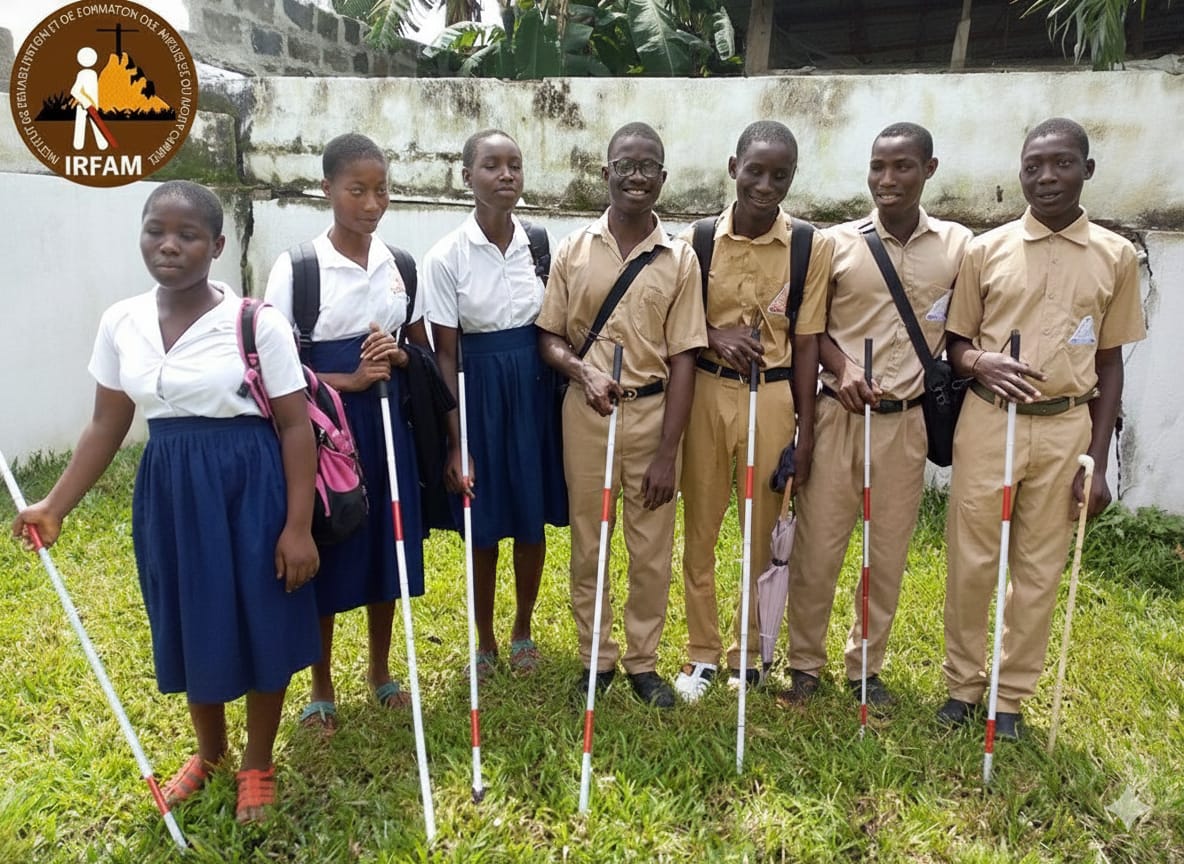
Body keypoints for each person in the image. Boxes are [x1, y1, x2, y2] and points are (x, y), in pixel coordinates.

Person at [12, 180, 321, 824]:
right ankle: (210, 755)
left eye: (187, 235)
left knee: (262, 614)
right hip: (171, 489)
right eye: (156, 230)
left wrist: (298, 526)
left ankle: (257, 763)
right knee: (189, 615)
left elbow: (296, 427)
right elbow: (107, 424)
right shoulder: (120, 322)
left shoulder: (256, 321)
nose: (169, 245)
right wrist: (55, 505)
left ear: (217, 243)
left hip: (249, 484)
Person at [938, 117, 1145, 739]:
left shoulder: (1117, 256)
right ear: (1020, 172)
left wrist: (1098, 463)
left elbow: (1109, 365)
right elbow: (954, 345)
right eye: (1033, 166)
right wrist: (981, 361)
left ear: (1087, 169)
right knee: (972, 558)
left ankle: (1010, 697)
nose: (1046, 177)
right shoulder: (985, 249)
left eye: (1061, 163)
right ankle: (963, 687)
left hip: (1065, 427)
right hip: (988, 420)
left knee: (1039, 566)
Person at [780, 123, 972, 707]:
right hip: (839, 414)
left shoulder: (960, 247)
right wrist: (843, 369)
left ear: (929, 170)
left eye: (903, 167)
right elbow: (809, 332)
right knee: (818, 547)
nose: (887, 180)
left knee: (885, 552)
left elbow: (963, 331)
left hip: (907, 421)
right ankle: (805, 663)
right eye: (877, 167)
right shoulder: (834, 244)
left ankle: (866, 664)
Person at [536, 122, 706, 709]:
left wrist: (667, 452)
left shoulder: (680, 259)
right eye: (625, 165)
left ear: (663, 178)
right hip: (586, 413)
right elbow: (550, 338)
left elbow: (686, 358)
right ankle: (595, 657)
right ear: (605, 172)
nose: (637, 175)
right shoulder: (574, 249)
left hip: (653, 414)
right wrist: (581, 372)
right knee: (591, 542)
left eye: (648, 166)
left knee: (651, 546)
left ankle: (642, 662)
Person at [264, 132, 429, 734]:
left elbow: (419, 349)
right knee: (331, 542)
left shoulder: (401, 265)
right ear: (327, 187)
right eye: (356, 190)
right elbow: (274, 369)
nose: (371, 203)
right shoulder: (299, 269)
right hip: (327, 432)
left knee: (386, 543)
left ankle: (381, 672)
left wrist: (403, 358)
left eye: (381, 190)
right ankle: (321, 683)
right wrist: (349, 378)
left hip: (389, 425)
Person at [674, 120, 831, 701]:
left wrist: (806, 432)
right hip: (707, 394)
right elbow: (681, 321)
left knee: (762, 532)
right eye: (755, 171)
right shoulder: (697, 240)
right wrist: (714, 335)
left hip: (776, 396)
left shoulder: (811, 246)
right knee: (701, 528)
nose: (765, 186)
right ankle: (702, 654)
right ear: (732, 166)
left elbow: (811, 341)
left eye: (780, 175)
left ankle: (749, 653)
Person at [421, 128, 567, 678]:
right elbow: (444, 356)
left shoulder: (539, 243)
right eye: (491, 165)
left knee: (530, 518)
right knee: (483, 521)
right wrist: (458, 442)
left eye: (514, 165)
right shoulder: (446, 257)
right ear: (467, 177)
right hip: (476, 393)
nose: (506, 175)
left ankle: (523, 629)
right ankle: (483, 638)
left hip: (531, 390)